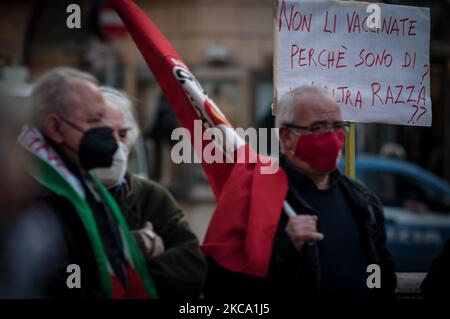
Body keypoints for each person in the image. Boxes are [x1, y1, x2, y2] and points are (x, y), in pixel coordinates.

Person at [110, 0, 396, 300]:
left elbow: (383, 275)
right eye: (319, 127)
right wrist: (284, 248)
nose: (333, 136)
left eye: (339, 126)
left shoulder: (363, 201)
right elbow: (220, 289)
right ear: (286, 136)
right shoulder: (251, 190)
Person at [0, 67, 156, 298]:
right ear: (55, 127)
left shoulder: (84, 182)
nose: (107, 130)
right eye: (95, 119)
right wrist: (145, 244)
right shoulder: (33, 195)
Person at [93, 87, 207, 298]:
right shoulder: (59, 196)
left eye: (123, 134)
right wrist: (143, 245)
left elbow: (192, 269)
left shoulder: (152, 196)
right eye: (106, 134)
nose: (117, 144)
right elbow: (73, 273)